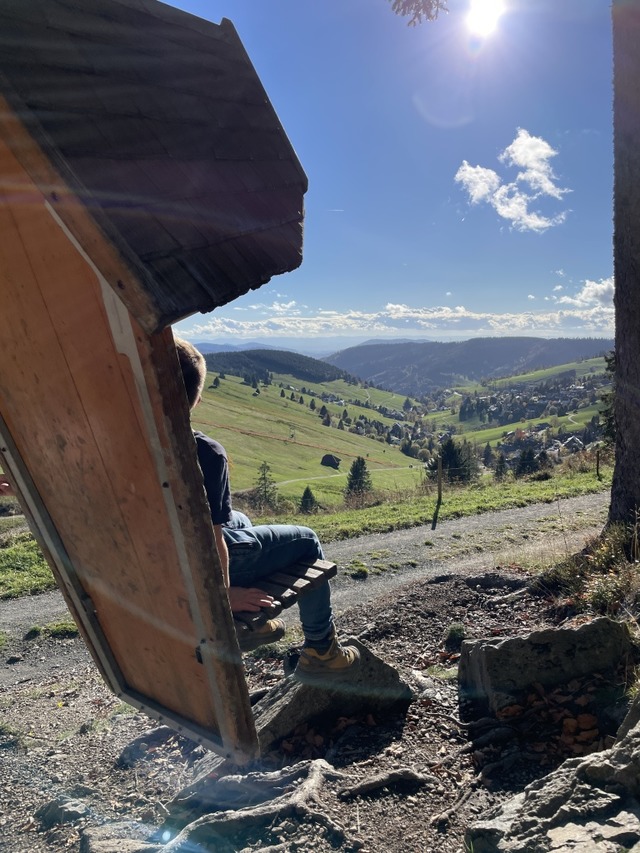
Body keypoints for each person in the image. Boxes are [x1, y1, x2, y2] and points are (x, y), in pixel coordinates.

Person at [175, 338, 360, 684]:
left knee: (241, 519)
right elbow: (212, 539)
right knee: (307, 540)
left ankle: (256, 621)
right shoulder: (204, 453)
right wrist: (223, 597)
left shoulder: (125, 441)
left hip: (165, 553)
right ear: (196, 398)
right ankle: (322, 651)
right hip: (194, 561)